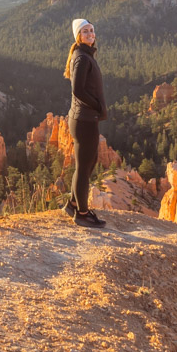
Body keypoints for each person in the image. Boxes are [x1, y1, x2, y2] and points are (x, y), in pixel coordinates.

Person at [61, 17, 108, 228]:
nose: (90, 34)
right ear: (78, 36)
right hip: (84, 119)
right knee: (83, 167)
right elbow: (77, 90)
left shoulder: (85, 55)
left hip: (86, 118)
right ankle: (82, 213)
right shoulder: (81, 57)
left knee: (89, 163)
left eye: (92, 30)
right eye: (85, 31)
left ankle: (72, 203)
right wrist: (97, 105)